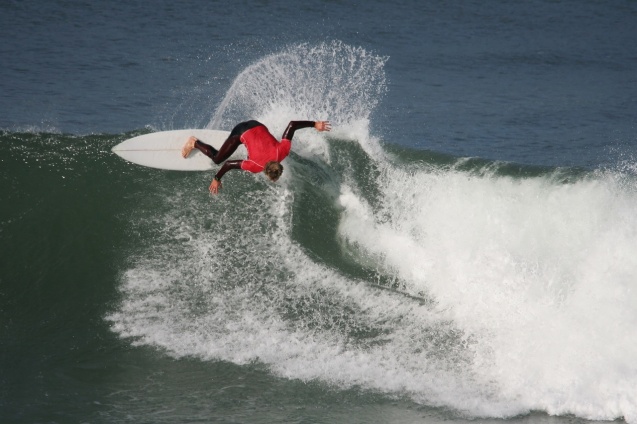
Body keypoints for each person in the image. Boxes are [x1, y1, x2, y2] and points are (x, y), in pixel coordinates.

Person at [181, 120, 331, 194]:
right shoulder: (255, 166)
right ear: (265, 172)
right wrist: (217, 178)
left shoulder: (282, 151)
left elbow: (292, 125)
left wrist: (315, 124)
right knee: (217, 159)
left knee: (251, 148)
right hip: (240, 131)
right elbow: (228, 165)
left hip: (256, 123)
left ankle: (247, 143)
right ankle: (194, 143)